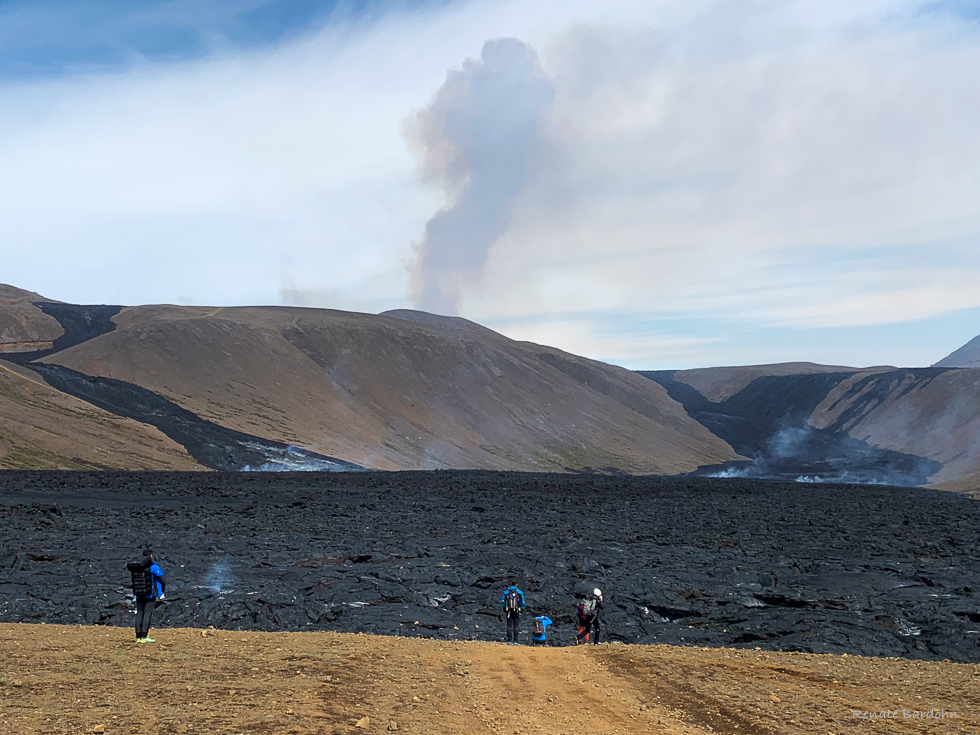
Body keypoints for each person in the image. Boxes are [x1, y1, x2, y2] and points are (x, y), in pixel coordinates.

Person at [128, 549, 166, 643]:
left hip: (139, 594)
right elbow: (162, 580)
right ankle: (144, 636)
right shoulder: (153, 567)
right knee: (147, 614)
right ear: (151, 556)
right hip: (150, 595)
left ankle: (138, 637)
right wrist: (161, 592)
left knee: (139, 613)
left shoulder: (138, 567)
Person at [500, 580, 526, 645]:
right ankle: (515, 641)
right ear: (516, 584)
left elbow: (503, 601)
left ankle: (509, 640)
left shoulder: (506, 592)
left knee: (509, 625)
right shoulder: (519, 592)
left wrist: (504, 608)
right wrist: (521, 608)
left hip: (509, 611)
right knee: (516, 626)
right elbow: (523, 602)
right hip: (516, 610)